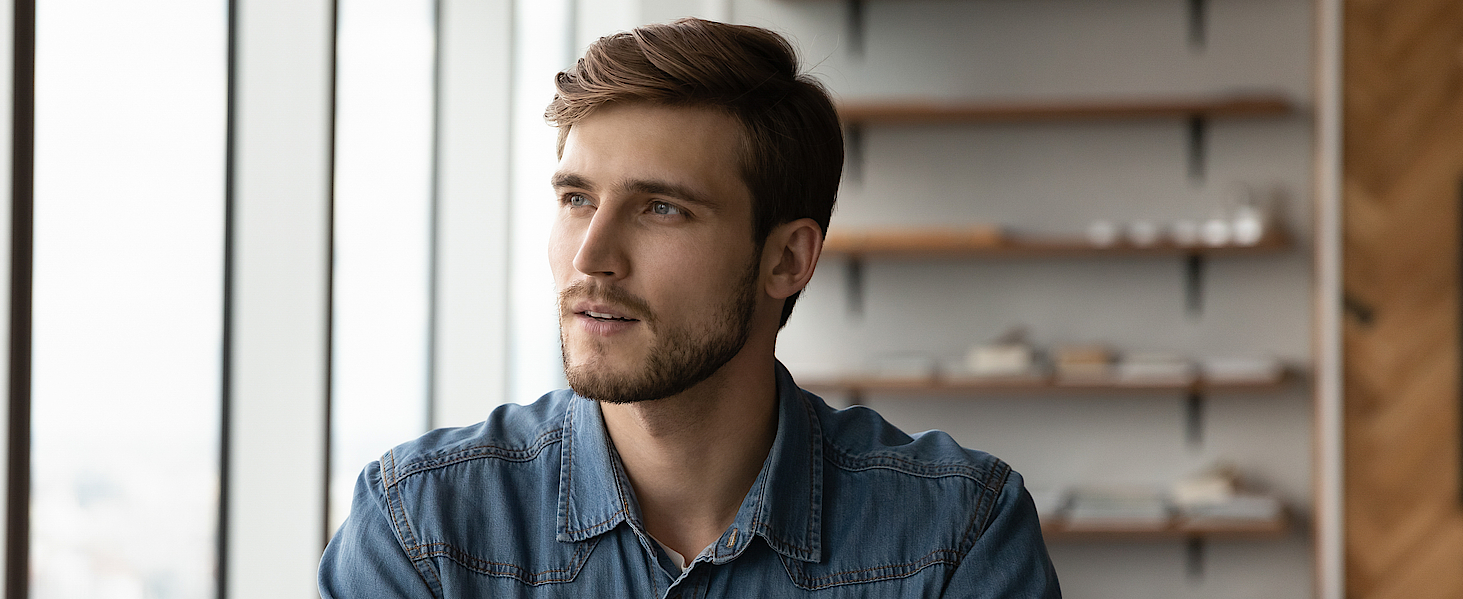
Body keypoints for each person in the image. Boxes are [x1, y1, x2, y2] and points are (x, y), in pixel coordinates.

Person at [320, 18, 1059, 598]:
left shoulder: (958, 533)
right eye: (577, 199)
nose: (592, 256)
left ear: (786, 259)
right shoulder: (421, 530)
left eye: (661, 208)